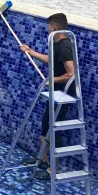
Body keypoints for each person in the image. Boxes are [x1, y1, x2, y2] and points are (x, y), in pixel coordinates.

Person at [18, 13, 77, 180]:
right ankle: (42, 160)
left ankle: (53, 169)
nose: (47, 31)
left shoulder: (64, 46)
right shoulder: (56, 44)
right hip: (54, 93)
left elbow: (71, 73)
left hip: (62, 95)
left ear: (54, 27)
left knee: (54, 130)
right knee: (46, 125)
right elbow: (51, 60)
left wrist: (52, 80)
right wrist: (30, 52)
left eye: (48, 28)